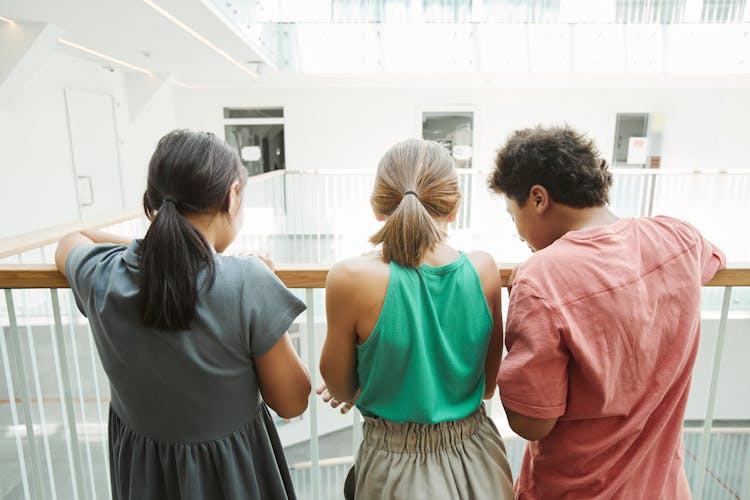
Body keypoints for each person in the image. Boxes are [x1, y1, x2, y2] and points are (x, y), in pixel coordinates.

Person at [55, 130, 311, 500]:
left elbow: (72, 239)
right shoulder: (247, 282)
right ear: (232, 194)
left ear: (153, 202)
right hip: (233, 476)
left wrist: (150, 251)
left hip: (146, 476)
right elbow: (293, 401)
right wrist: (262, 280)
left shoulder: (104, 276)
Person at [489, 125, 726, 498]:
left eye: (511, 213)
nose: (518, 231)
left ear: (538, 199)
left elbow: (533, 423)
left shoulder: (542, 279)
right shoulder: (678, 237)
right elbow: (713, 260)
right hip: (662, 488)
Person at [319, 139, 514, 500]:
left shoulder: (349, 278)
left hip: (394, 470)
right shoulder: (484, 269)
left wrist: (375, 381)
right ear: (454, 207)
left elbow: (342, 388)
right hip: (479, 459)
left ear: (378, 206)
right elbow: (486, 386)